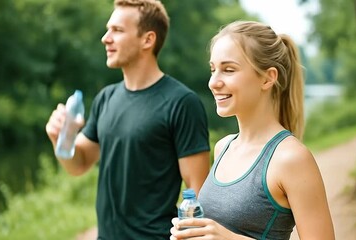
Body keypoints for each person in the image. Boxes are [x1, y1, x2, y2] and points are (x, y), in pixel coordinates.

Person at [45, 0, 211, 239]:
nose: (105, 38)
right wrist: (61, 139)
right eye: (108, 29)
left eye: (118, 30)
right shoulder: (106, 98)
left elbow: (198, 193)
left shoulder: (182, 102)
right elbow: (79, 164)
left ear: (148, 39)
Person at [170, 20, 335, 240]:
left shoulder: (291, 158)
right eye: (213, 69)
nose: (213, 82)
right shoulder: (223, 147)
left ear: (268, 78)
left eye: (228, 70)